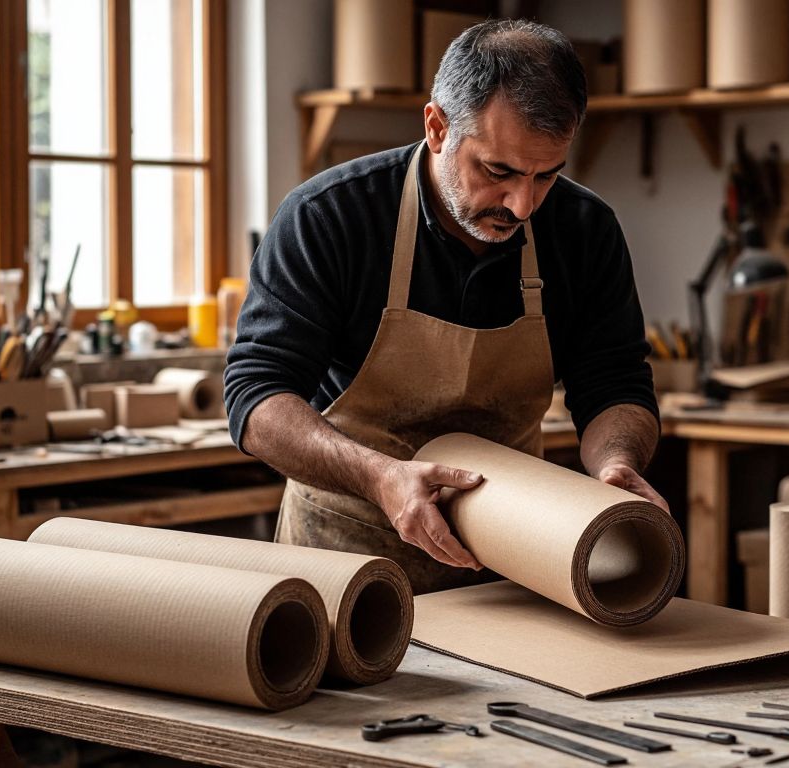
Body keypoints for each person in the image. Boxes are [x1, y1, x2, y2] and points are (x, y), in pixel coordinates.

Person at [224, 19, 663, 592]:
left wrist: (615, 462)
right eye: (497, 171)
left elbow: (614, 382)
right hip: (347, 555)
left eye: (546, 176)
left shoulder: (585, 230)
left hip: (507, 557)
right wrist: (381, 477)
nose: (522, 204)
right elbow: (256, 396)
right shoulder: (328, 217)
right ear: (436, 127)